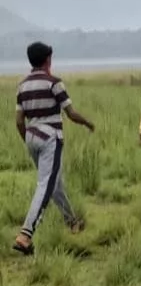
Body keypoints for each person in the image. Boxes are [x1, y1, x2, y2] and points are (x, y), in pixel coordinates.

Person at [13, 42, 94, 255]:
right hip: (51, 138)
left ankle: (72, 222)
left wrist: (27, 139)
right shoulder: (54, 83)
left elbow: (19, 121)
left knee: (54, 182)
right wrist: (87, 123)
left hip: (31, 136)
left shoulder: (21, 85)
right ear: (48, 59)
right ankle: (26, 234)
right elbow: (71, 113)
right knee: (45, 185)